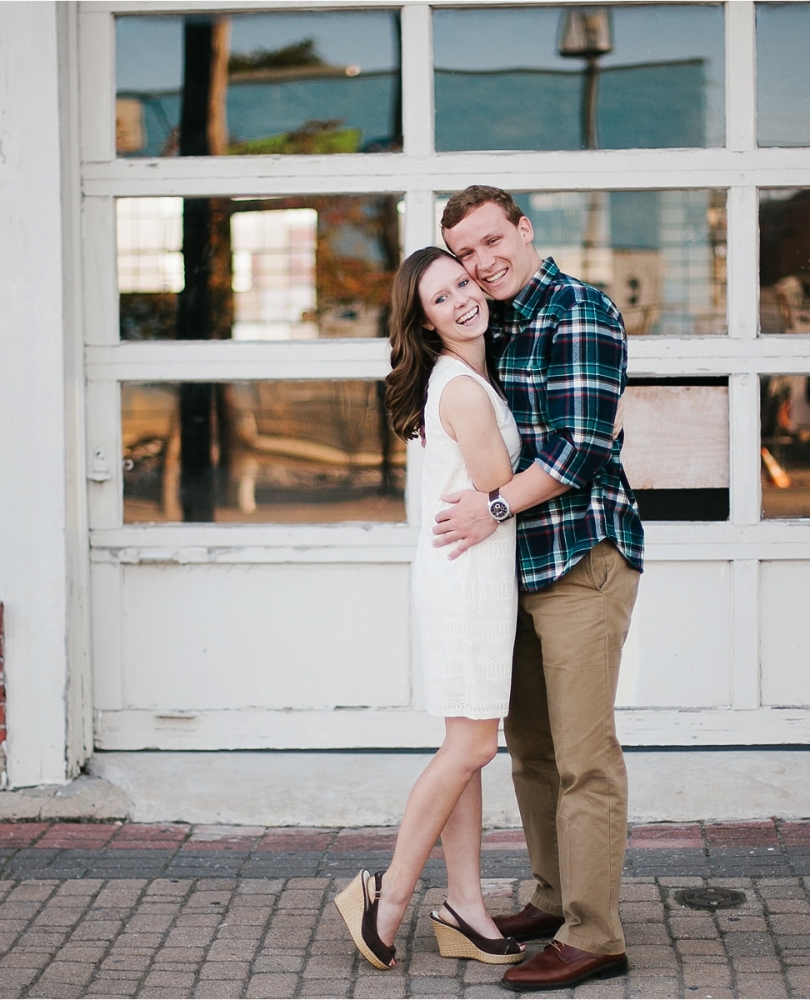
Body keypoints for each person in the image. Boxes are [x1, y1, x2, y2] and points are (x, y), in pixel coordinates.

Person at [435, 185, 644, 991]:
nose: (482, 264)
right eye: (465, 254)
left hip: (582, 558)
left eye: (493, 243)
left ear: (525, 232)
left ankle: (596, 935)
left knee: (584, 757)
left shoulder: (577, 309)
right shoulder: (494, 319)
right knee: (529, 750)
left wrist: (490, 507)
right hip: (514, 567)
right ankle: (556, 899)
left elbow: (581, 446)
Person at [332, 247, 527, 971]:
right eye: (442, 298)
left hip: (460, 573)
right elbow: (499, 483)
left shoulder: (463, 377)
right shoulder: (464, 390)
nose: (463, 299)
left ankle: (467, 907)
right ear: (425, 321)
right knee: (472, 747)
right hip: (467, 579)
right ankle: (389, 895)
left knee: (467, 749)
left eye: (463, 283)